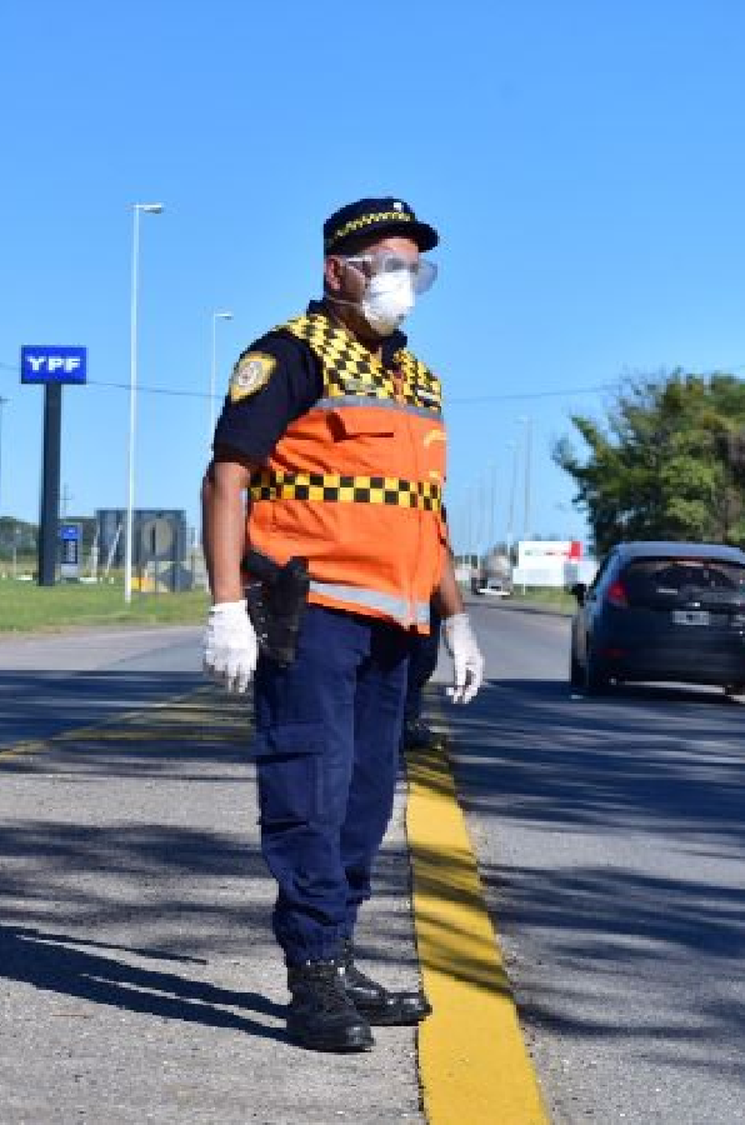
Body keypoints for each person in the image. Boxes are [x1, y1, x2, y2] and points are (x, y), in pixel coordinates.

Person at [200, 198, 485, 1053]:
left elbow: (422, 511)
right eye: (386, 263)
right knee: (309, 791)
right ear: (338, 270)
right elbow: (227, 481)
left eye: (413, 266)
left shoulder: (417, 379)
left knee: (364, 801)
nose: (403, 280)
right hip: (315, 610)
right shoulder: (286, 356)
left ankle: (342, 949)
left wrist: (457, 618)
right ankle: (313, 975)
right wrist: (223, 605)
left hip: (399, 623)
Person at [402, 601, 443, 751]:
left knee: (421, 663)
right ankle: (406, 723)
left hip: (424, 598)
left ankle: (408, 722)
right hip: (390, 597)